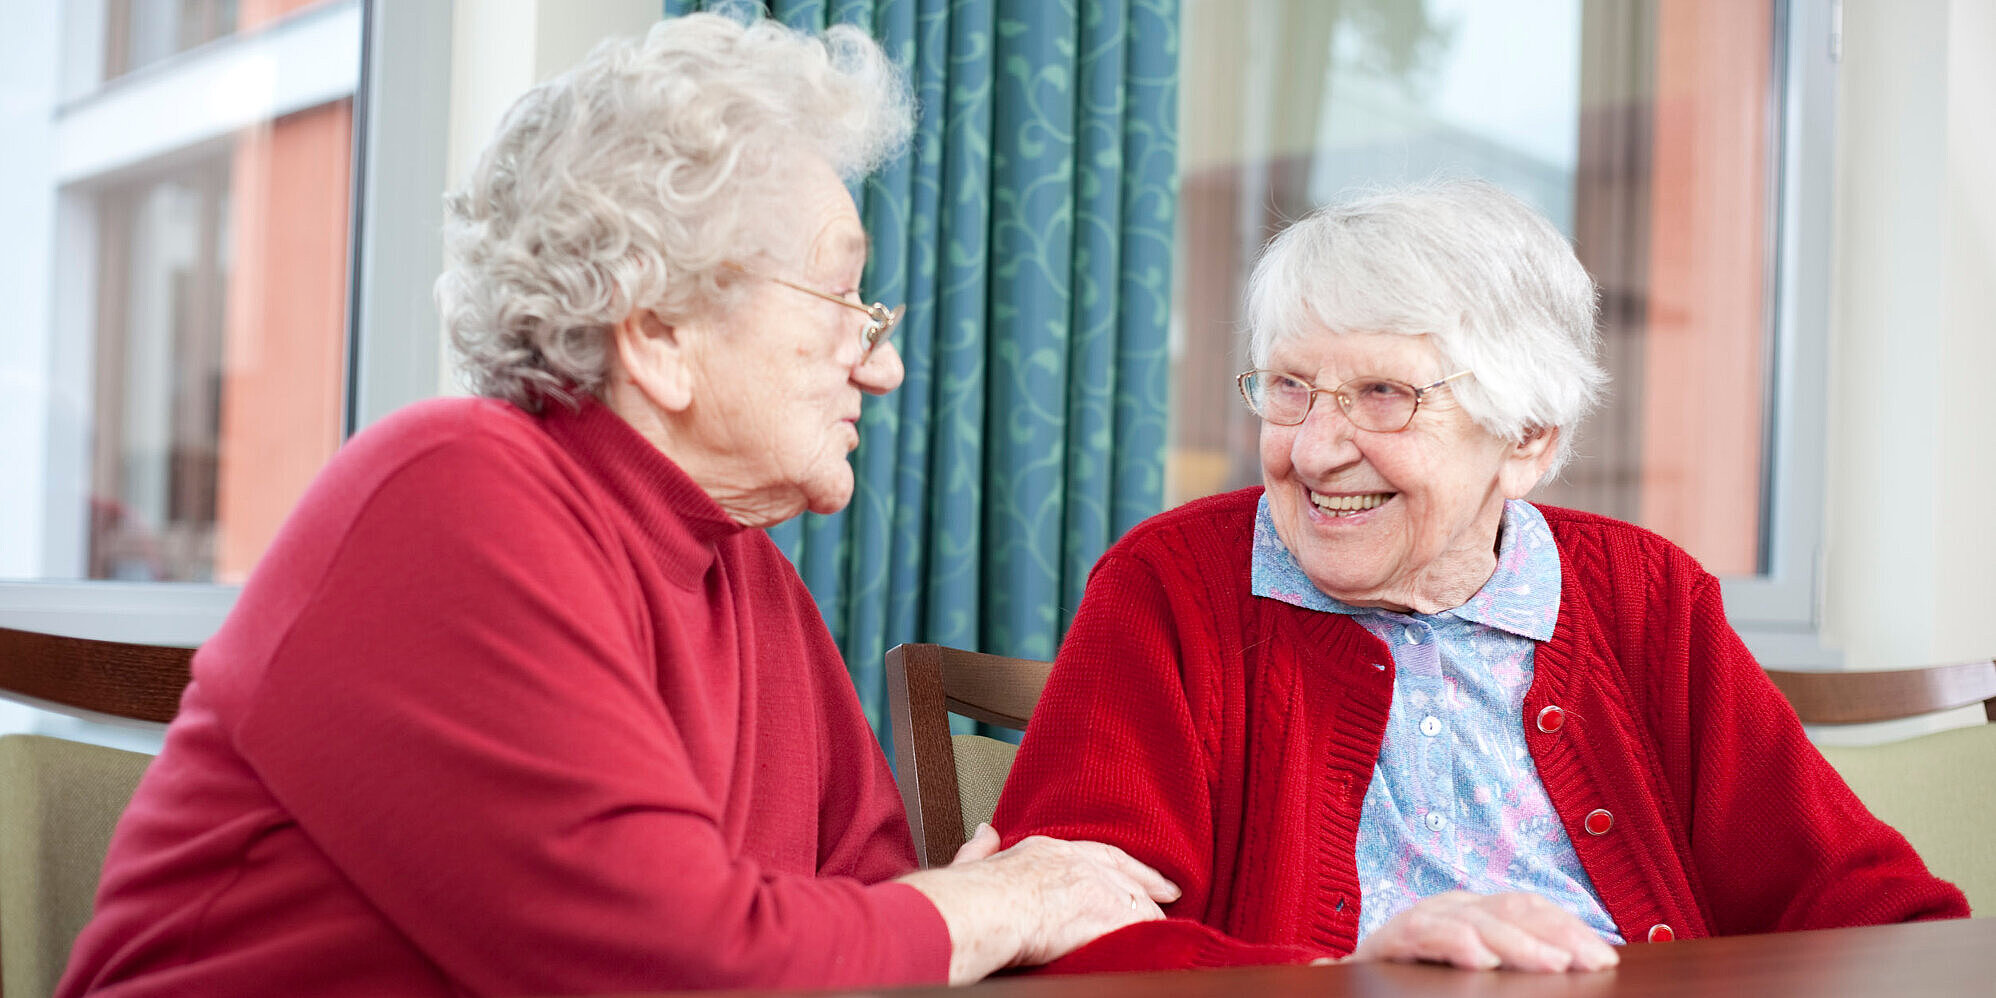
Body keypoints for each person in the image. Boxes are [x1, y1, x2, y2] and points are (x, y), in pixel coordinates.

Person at [57, 13, 1176, 998]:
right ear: (658, 332)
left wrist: (950, 916)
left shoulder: (749, 577)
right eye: (840, 297)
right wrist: (1006, 904)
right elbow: (680, 964)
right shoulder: (447, 496)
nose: (878, 367)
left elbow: (871, 924)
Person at [991, 178, 1969, 976]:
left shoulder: (1645, 594)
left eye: (1382, 394)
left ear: (1526, 439)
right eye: (1289, 385)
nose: (1315, 447)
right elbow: (1061, 936)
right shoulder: (1170, 587)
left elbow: (1866, 902)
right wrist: (1343, 976)